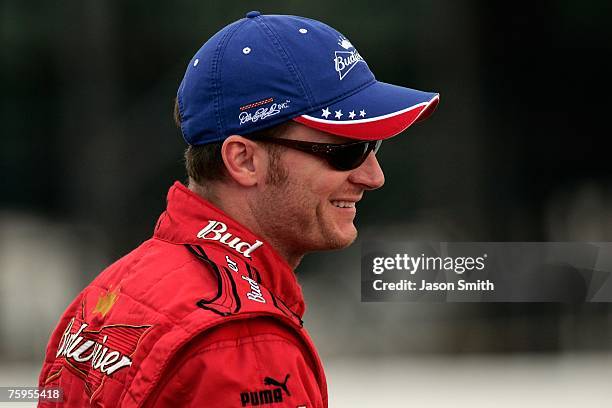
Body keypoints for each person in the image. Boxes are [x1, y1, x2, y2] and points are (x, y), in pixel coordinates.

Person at [38, 11, 438, 408]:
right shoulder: (242, 343)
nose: (373, 176)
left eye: (374, 145)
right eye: (346, 150)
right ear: (244, 161)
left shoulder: (106, 294)